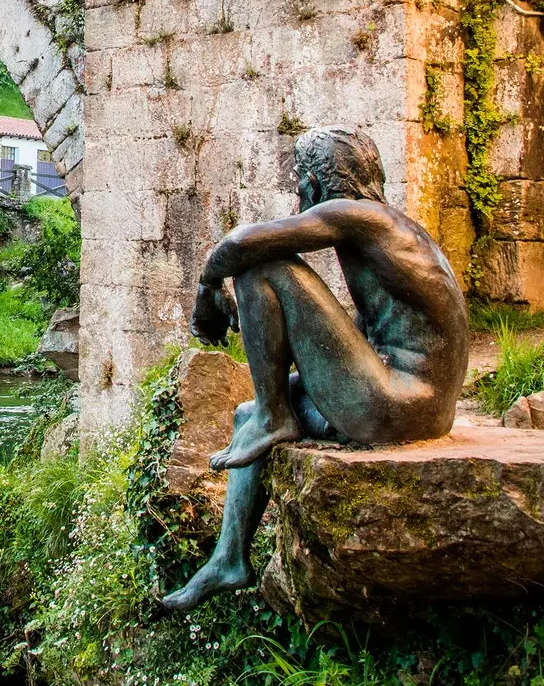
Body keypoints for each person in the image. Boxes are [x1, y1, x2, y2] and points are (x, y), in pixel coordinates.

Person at [160, 126, 468, 612]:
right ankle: (229, 557)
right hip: (417, 405)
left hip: (398, 403)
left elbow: (241, 242)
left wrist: (206, 288)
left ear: (317, 185)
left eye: (299, 182)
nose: (299, 194)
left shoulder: (356, 214)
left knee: (261, 266)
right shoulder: (390, 227)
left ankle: (273, 416)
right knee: (245, 415)